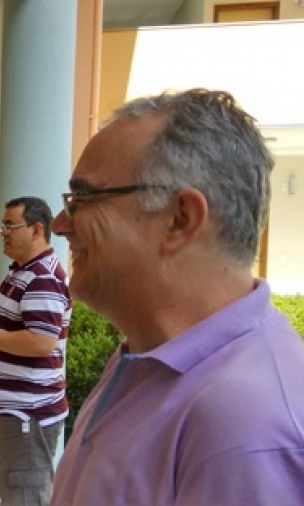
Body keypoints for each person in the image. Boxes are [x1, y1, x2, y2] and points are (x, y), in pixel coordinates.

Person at [50, 89, 304, 504]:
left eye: (83, 198)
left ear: (180, 219)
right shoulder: (150, 353)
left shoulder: (248, 424)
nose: (61, 223)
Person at [0, 197, 70, 506]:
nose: (3, 233)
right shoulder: (23, 272)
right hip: (13, 413)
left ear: (36, 230)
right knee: (8, 495)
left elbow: (41, 342)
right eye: (2, 226)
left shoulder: (42, 277)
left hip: (27, 415)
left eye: (10, 226)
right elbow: (23, 325)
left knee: (23, 498)